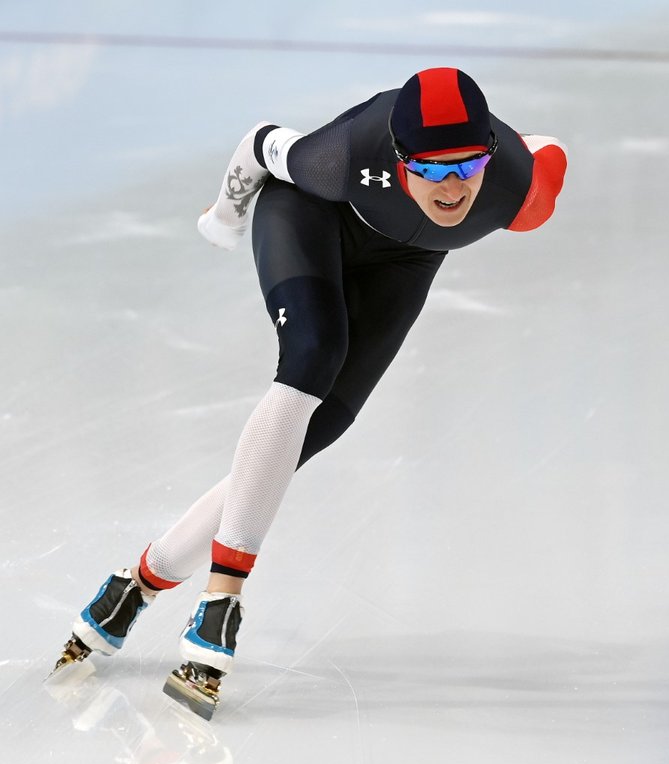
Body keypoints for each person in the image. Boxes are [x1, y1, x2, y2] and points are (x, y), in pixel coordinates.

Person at [53, 67, 568, 720]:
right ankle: (220, 604)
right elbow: (257, 143)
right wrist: (224, 218)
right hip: (309, 218)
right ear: (399, 158)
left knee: (314, 431)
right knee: (313, 354)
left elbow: (548, 151)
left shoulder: (519, 186)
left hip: (405, 263)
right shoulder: (340, 157)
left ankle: (134, 588)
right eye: (431, 169)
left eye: (466, 166)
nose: (451, 188)